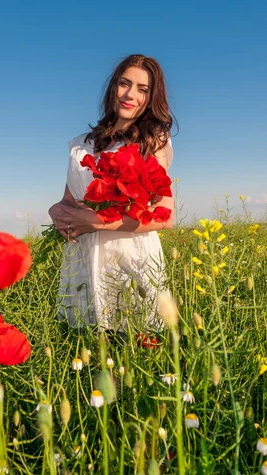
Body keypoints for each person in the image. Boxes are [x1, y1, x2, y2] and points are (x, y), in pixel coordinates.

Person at [48, 54, 177, 334]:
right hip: (83, 258)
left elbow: (165, 215)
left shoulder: (152, 141)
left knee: (133, 348)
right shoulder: (81, 144)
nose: (130, 95)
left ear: (152, 97)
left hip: (129, 259)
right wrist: (55, 211)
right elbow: (69, 200)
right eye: (124, 84)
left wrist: (98, 223)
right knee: (83, 347)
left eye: (143, 89)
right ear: (113, 87)